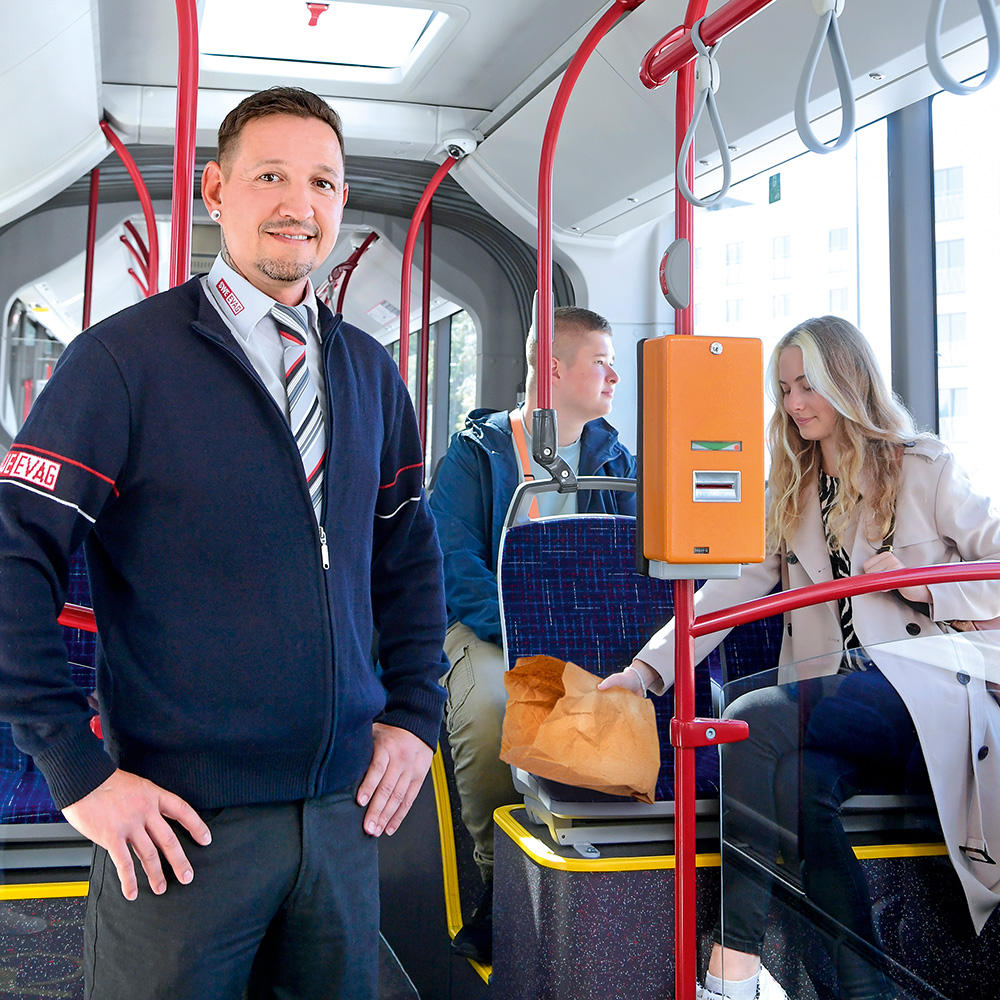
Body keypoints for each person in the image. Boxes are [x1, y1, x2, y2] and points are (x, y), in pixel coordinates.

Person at [0, 87, 447, 1000]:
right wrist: (75, 770)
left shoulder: (369, 373)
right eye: (270, 176)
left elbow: (407, 556)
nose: (299, 202)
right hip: (179, 825)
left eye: (322, 181)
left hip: (341, 817)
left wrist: (416, 715)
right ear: (214, 190)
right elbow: (12, 558)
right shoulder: (123, 362)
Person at [600, 316, 1000, 1000]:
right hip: (844, 704)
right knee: (794, 785)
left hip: (928, 693)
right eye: (784, 389)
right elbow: (726, 590)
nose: (793, 404)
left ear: (848, 381)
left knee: (749, 717)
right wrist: (646, 670)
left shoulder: (926, 468)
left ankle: (732, 966)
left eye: (807, 384)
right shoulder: (794, 490)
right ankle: (864, 990)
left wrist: (917, 581)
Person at [428, 306, 636, 962]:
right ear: (553, 368)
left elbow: (635, 565)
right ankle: (498, 878)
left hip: (586, 634)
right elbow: (454, 565)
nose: (613, 378)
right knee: (494, 702)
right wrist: (526, 637)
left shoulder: (616, 460)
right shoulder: (476, 455)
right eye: (600, 362)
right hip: (491, 632)